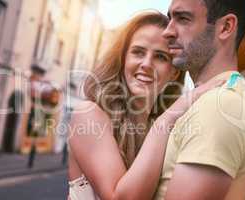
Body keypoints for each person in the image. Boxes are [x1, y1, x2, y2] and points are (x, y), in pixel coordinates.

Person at [68, 11, 225, 200]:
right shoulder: (90, 114)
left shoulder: (166, 129)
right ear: (123, 58)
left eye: (160, 56)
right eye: (138, 52)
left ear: (174, 73)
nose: (147, 64)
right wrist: (168, 117)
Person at [153, 0, 245, 200]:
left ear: (226, 27)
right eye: (170, 18)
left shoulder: (219, 106)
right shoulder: (217, 99)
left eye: (183, 18)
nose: (167, 32)